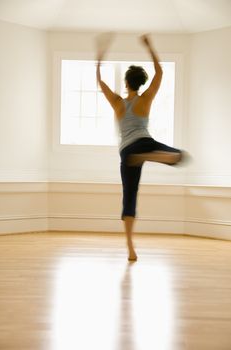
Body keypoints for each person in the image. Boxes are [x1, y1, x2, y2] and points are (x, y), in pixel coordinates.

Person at [96, 34, 183, 261]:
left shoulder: (117, 102)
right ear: (140, 83)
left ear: (126, 83)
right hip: (146, 143)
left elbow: (101, 83)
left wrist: (98, 63)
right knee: (179, 156)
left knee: (129, 197)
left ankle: (131, 248)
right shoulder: (145, 100)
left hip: (127, 152)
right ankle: (151, 156)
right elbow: (160, 73)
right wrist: (150, 46)